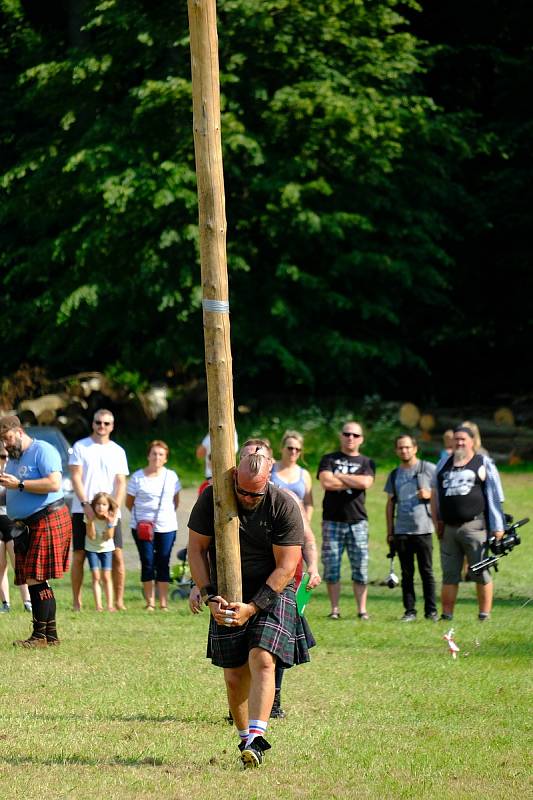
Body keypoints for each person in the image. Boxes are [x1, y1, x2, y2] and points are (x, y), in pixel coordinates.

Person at [188, 442, 314, 768]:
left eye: (254, 494)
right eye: (241, 491)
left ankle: (258, 735)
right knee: (233, 675)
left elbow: (286, 567)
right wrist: (209, 594)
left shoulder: (282, 505)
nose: (246, 498)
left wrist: (253, 607)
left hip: (273, 589)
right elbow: (196, 550)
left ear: (269, 479)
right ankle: (246, 739)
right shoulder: (213, 497)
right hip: (228, 589)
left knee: (262, 657)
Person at [0, 415, 71, 647]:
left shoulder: (43, 450)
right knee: (37, 580)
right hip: (27, 524)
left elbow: (53, 484)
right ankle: (49, 636)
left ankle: (41, 636)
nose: (6, 444)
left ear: (19, 431)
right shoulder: (14, 458)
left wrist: (18, 484)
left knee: (36, 578)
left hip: (48, 517)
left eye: (8, 438)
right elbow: (13, 492)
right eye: (3, 441)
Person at [432, 425, 505, 621]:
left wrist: (498, 527)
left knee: (480, 572)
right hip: (448, 529)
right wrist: (437, 520)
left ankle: (484, 614)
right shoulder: (443, 464)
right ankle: (446, 615)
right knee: (449, 575)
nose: (459, 443)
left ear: (472, 441)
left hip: (475, 527)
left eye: (463, 439)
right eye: (456, 439)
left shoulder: (483, 462)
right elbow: (435, 495)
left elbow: (495, 496)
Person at [69, 409, 129, 611]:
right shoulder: (80, 446)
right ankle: (77, 602)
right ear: (92, 424)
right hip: (82, 509)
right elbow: (76, 476)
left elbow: (121, 482)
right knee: (79, 555)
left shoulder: (118, 451)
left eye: (106, 423)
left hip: (111, 511)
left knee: (117, 555)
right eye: (98, 422)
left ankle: (118, 601)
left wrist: (115, 510)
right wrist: (86, 504)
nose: (102, 426)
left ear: (112, 426)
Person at [318, 421, 375, 620]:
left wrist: (339, 476)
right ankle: (334, 609)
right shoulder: (328, 458)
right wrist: (353, 480)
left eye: (355, 435)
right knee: (331, 565)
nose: (350, 437)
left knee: (360, 566)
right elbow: (326, 481)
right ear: (341, 436)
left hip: (358, 521)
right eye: (347, 434)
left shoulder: (367, 462)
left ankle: (362, 610)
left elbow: (366, 482)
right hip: (332, 521)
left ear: (361, 439)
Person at [384, 435, 438, 622]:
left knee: (427, 572)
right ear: (396, 451)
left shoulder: (429, 468)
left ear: (415, 448)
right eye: (400, 448)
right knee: (407, 573)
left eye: (407, 447)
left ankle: (431, 611)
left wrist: (429, 494)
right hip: (402, 531)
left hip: (424, 529)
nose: (404, 451)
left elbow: (441, 494)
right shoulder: (394, 474)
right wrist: (390, 530)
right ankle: (410, 611)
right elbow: (390, 503)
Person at [126, 440, 181, 611]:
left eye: (161, 454)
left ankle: (163, 602)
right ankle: (150, 602)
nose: (157, 457)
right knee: (147, 561)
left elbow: (176, 501)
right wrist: (144, 519)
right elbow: (129, 502)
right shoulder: (137, 477)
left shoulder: (171, 476)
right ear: (148, 455)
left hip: (167, 526)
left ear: (165, 458)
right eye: (154, 453)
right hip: (142, 527)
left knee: (163, 561)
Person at [0, 443, 32, 613]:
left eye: (6, 457)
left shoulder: (15, 473)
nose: (4, 460)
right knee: (0, 565)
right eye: (1, 457)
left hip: (13, 521)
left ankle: (27, 601)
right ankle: (5, 603)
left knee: (18, 563)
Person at [270, 430, 314, 522]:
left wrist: (306, 522)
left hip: (297, 525)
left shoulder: (304, 474)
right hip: (271, 523)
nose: (294, 451)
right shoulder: (270, 469)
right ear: (282, 448)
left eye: (298, 449)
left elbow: (308, 503)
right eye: (290, 448)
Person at [85, 492, 117, 612]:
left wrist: (109, 524)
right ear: (93, 505)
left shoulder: (111, 517)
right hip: (92, 548)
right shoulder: (88, 516)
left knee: (106, 577)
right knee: (96, 576)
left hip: (106, 549)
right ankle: (98, 605)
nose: (100, 507)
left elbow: (107, 537)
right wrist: (91, 521)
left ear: (109, 506)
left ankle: (109, 605)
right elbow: (91, 536)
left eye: (104, 504)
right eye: (98, 504)